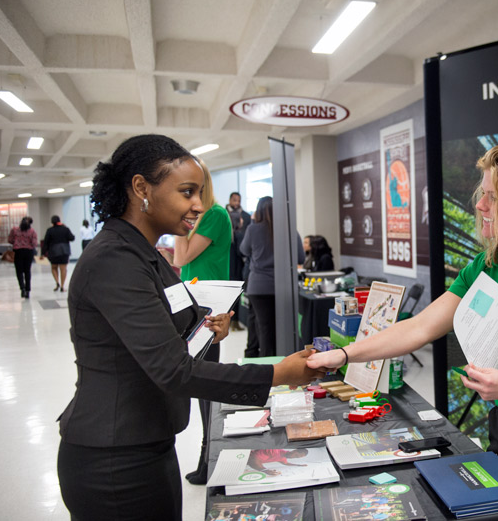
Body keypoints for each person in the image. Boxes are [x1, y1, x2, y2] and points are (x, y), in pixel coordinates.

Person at [308, 144, 498, 521]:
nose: (481, 206)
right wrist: (343, 355)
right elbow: (421, 326)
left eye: (493, 197)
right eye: (482, 194)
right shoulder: (490, 264)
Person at [56, 134, 322, 521]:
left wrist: (207, 329)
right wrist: (279, 375)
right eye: (187, 192)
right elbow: (171, 369)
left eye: (198, 192)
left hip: (148, 444)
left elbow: (164, 338)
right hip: (114, 460)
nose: (198, 204)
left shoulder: (146, 255)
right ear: (141, 188)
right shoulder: (115, 259)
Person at [171, 157, 233, 485]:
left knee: (206, 386)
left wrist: (184, 222)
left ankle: (209, 456)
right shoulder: (204, 217)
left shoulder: (215, 215)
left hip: (209, 309)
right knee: (199, 385)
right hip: (193, 306)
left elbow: (181, 257)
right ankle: (208, 455)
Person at [240, 196, 304, 358]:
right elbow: (301, 258)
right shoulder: (289, 230)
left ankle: (268, 367)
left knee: (264, 328)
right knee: (284, 327)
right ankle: (285, 362)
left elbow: (244, 250)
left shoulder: (253, 229)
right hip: (284, 287)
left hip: (259, 287)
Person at [226, 192, 251, 331]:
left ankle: (235, 320)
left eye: (238, 200)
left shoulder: (246, 217)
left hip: (241, 259)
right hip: (227, 257)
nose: (236, 203)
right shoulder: (222, 215)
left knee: (238, 288)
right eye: (234, 200)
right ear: (230, 200)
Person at [41, 215, 75, 292]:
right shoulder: (65, 229)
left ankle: (57, 282)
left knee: (54, 267)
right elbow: (72, 238)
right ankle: (62, 286)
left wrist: (43, 253)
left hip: (53, 251)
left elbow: (46, 242)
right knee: (63, 269)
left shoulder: (50, 230)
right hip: (64, 251)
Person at [8, 217, 38, 298]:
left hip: (18, 252)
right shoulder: (32, 231)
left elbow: (10, 240)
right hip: (28, 252)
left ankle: (22, 288)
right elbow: (34, 243)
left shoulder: (14, 230)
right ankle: (28, 290)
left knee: (19, 271)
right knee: (27, 271)